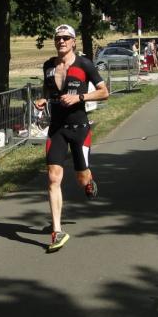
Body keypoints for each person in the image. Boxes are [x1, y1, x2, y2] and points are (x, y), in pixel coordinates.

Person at [33, 24, 109, 252]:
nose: (61, 41)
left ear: (74, 41)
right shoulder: (48, 65)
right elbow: (48, 89)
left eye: (66, 38)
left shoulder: (84, 64)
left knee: (81, 179)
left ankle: (89, 182)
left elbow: (104, 92)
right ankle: (57, 231)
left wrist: (80, 98)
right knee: (53, 178)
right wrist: (44, 99)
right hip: (56, 128)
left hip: (79, 129)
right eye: (58, 38)